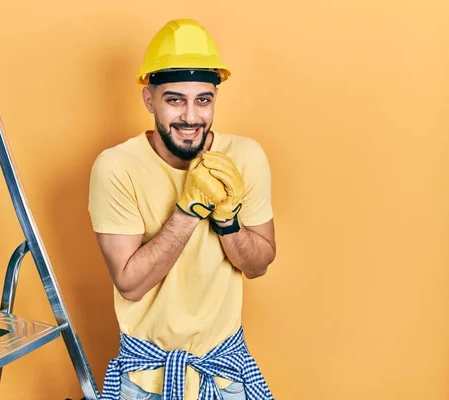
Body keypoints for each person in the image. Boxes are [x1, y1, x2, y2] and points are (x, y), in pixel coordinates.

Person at [88, 19, 276, 400]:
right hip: (146, 379)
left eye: (202, 100)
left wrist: (229, 223)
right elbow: (130, 283)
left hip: (224, 373)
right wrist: (189, 211)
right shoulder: (116, 167)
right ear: (149, 100)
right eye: (175, 100)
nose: (191, 117)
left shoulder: (245, 156)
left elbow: (258, 266)